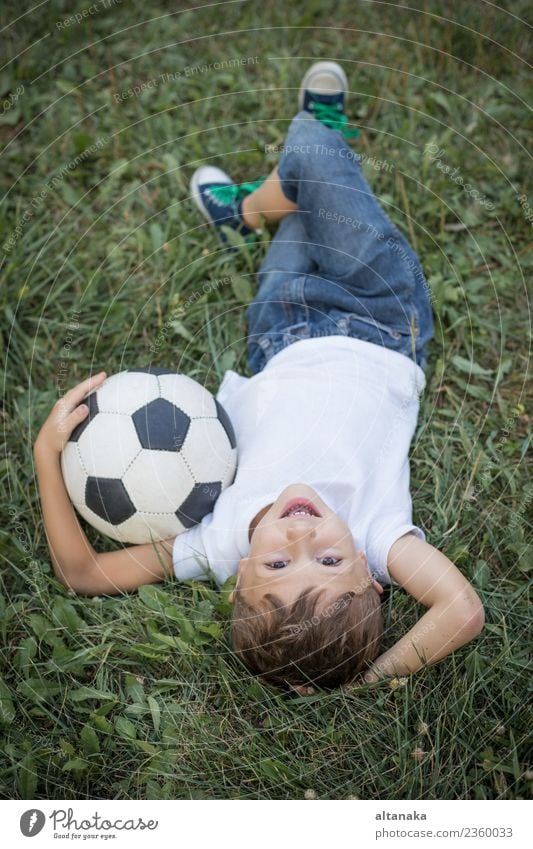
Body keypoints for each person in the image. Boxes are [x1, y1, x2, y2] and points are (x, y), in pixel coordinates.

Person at [34, 62, 484, 692]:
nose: (302, 532)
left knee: (305, 192)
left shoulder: (217, 543)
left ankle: (253, 212)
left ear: (239, 577)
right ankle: (263, 197)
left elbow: (82, 574)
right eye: (330, 559)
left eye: (277, 561)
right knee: (309, 151)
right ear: (371, 573)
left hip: (279, 325)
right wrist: (369, 684)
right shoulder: (380, 533)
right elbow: (461, 611)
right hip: (381, 314)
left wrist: (46, 452)